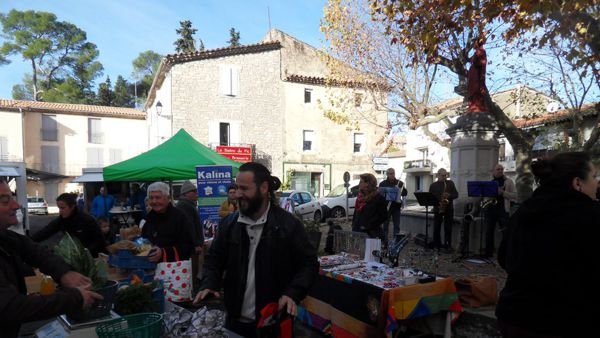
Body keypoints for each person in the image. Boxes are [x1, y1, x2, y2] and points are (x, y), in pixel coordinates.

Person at [193, 162, 318, 338]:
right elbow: (214, 259)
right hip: (234, 322)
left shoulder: (289, 225)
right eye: (236, 188)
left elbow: (309, 264)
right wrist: (209, 284)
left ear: (264, 188)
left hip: (273, 322)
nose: (237, 194)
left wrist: (292, 293)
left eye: (244, 188)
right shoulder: (229, 224)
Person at [496, 152, 600, 337]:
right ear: (577, 183)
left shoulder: (524, 212)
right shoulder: (590, 216)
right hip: (563, 321)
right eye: (593, 176)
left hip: (514, 315)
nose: (597, 182)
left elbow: (504, 258)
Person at [0, 179, 102, 337]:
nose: (16, 205)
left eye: (12, 198)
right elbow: (10, 307)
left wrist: (64, 273)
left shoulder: (5, 237)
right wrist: (74, 298)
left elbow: (34, 250)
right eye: (5, 200)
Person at [31, 193, 105, 257]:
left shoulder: (87, 220)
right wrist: (26, 241)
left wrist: (85, 251)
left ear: (72, 207)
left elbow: (100, 241)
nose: (60, 211)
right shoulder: (61, 220)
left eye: (62, 208)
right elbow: (45, 231)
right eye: (59, 208)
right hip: (71, 258)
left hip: (90, 258)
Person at [142, 182, 194, 263]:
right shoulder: (150, 216)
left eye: (158, 197)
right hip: (151, 269)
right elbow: (145, 239)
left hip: (174, 269)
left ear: (168, 198)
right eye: (151, 198)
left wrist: (163, 252)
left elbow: (188, 246)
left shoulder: (179, 217)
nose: (154, 201)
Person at [176, 180, 204, 288]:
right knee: (191, 269)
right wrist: (196, 244)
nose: (196, 194)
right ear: (186, 193)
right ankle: (190, 294)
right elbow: (189, 227)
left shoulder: (187, 204)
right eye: (193, 191)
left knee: (192, 269)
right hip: (190, 247)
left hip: (189, 245)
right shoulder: (184, 205)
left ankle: (191, 292)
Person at [484, 164, 516, 257]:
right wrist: (487, 199)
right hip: (490, 210)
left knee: (505, 232)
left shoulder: (508, 182)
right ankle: (488, 253)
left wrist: (503, 192)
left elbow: (514, 195)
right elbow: (486, 197)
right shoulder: (490, 182)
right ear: (493, 171)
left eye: (501, 169)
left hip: (503, 210)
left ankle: (506, 253)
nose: (500, 171)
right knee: (489, 232)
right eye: (498, 169)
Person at [429, 168, 459, 251]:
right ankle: (437, 245)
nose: (444, 177)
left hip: (449, 208)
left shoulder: (450, 183)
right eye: (442, 175)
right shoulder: (433, 185)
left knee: (448, 228)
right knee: (436, 227)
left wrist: (449, 196)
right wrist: (438, 203)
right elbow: (430, 197)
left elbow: (456, 195)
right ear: (438, 175)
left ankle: (447, 245)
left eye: (446, 175)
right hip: (438, 208)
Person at [352, 173, 387, 239]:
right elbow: (356, 213)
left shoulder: (379, 198)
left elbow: (383, 216)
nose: (359, 184)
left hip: (371, 234)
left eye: (361, 182)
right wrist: (354, 225)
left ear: (368, 184)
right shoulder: (360, 197)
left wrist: (368, 226)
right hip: (357, 232)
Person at [379, 168, 408, 243]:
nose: (392, 175)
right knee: (385, 225)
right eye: (390, 174)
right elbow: (380, 196)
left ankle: (395, 243)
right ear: (387, 174)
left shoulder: (399, 183)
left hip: (396, 207)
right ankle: (385, 242)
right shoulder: (383, 184)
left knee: (397, 226)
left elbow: (405, 193)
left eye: (393, 173)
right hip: (386, 207)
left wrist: (401, 189)